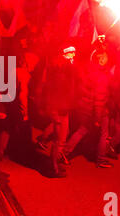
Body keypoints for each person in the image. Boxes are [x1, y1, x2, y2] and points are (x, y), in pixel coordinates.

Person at [64, 50, 114, 169]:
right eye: (104, 56)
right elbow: (99, 98)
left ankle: (64, 152)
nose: (106, 58)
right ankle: (101, 159)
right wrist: (97, 116)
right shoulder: (102, 76)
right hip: (98, 110)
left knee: (82, 130)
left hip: (86, 107)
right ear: (100, 59)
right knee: (104, 134)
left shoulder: (90, 71)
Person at [42, 46, 77, 177]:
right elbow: (51, 94)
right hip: (58, 110)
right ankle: (53, 168)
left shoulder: (63, 72)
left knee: (62, 137)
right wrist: (54, 113)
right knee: (59, 140)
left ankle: (55, 164)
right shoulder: (57, 75)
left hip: (63, 109)